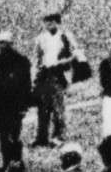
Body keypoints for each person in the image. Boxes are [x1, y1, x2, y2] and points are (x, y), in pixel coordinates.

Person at [0, 32, 33, 168]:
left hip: (15, 106)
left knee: (14, 135)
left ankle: (16, 161)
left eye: (3, 43)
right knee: (2, 135)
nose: (0, 46)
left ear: (10, 44)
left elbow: (26, 85)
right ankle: (6, 160)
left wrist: (24, 106)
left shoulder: (21, 61)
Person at [31, 13, 78, 148]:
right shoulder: (41, 38)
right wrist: (36, 74)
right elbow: (38, 57)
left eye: (51, 22)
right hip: (45, 74)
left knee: (58, 107)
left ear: (58, 23)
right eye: (46, 22)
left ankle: (59, 136)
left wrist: (62, 62)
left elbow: (75, 54)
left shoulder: (65, 36)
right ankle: (41, 137)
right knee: (42, 108)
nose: (48, 25)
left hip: (59, 74)